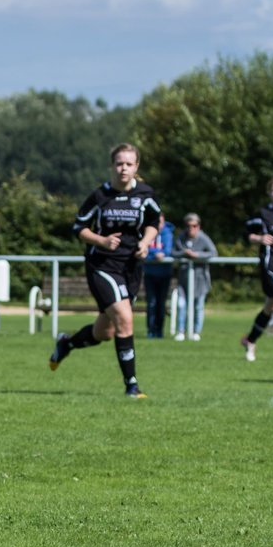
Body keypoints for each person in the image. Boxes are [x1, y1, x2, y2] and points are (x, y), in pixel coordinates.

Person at [50, 142, 160, 398]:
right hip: (102, 265)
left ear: (136, 167)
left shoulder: (146, 194)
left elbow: (154, 222)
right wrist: (102, 241)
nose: (123, 168)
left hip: (131, 266)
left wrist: (145, 242)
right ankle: (132, 386)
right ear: (112, 166)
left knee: (105, 332)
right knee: (125, 319)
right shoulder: (99, 196)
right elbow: (79, 228)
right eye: (119, 163)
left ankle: (67, 343)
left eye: (129, 164)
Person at [240, 177, 273, 362]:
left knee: (271, 305)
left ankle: (250, 340)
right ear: (269, 193)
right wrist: (259, 238)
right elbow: (246, 234)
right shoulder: (263, 213)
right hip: (270, 263)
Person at [172, 213, 217, 342]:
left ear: (198, 226)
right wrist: (183, 254)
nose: (191, 228)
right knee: (181, 305)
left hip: (200, 280)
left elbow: (213, 252)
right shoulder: (181, 238)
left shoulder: (203, 238)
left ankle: (196, 332)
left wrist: (197, 255)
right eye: (188, 226)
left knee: (198, 306)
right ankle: (181, 331)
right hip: (184, 279)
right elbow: (173, 252)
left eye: (194, 226)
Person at [142, 213, 174, 338]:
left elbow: (167, 251)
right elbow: (143, 249)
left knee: (161, 303)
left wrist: (156, 253)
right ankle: (150, 331)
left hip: (164, 274)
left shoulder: (167, 233)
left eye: (160, 222)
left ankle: (159, 331)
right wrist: (155, 253)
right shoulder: (147, 232)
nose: (158, 225)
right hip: (149, 273)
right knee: (151, 303)